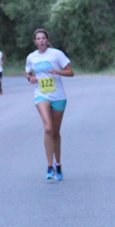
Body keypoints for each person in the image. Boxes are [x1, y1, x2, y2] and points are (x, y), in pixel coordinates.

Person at [25, 28, 74, 181]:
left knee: (55, 132)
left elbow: (71, 72)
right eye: (38, 39)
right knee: (48, 128)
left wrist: (57, 72)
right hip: (41, 95)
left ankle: (58, 164)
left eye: (43, 38)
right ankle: (49, 166)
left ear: (47, 40)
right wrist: (30, 78)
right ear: (35, 41)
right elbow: (28, 72)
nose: (41, 41)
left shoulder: (56, 54)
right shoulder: (31, 57)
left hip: (58, 96)